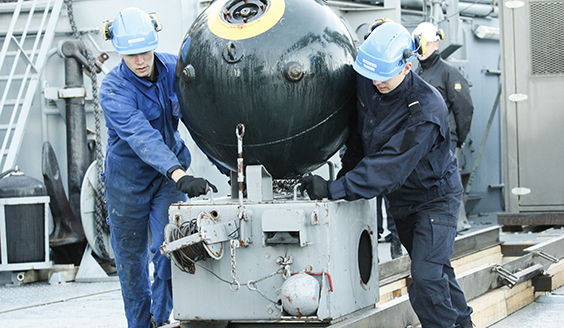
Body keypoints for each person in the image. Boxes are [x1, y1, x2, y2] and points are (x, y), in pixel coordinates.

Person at [299, 21, 473, 328]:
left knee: (425, 280)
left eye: (383, 77)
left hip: (435, 199)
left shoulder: (426, 110)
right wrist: (345, 172)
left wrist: (334, 189)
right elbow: (359, 137)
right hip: (402, 201)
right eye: (371, 76)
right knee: (437, 273)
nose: (376, 83)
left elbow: (389, 166)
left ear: (407, 66)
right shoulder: (369, 81)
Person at [99, 8, 217, 328]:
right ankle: (140, 325)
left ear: (154, 43)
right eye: (130, 54)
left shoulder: (173, 69)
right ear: (119, 52)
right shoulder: (112, 90)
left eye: (144, 51)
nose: (140, 60)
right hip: (128, 183)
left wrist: (224, 159)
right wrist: (180, 175)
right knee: (131, 262)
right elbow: (142, 136)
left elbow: (200, 112)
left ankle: (161, 319)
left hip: (167, 178)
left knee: (168, 247)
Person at [412, 22, 475, 231]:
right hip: (424, 139)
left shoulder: (448, 72)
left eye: (425, 44)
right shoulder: (417, 73)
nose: (421, 49)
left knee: (449, 179)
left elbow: (464, 107)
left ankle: (457, 222)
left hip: (445, 137)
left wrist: (459, 137)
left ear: (436, 45)